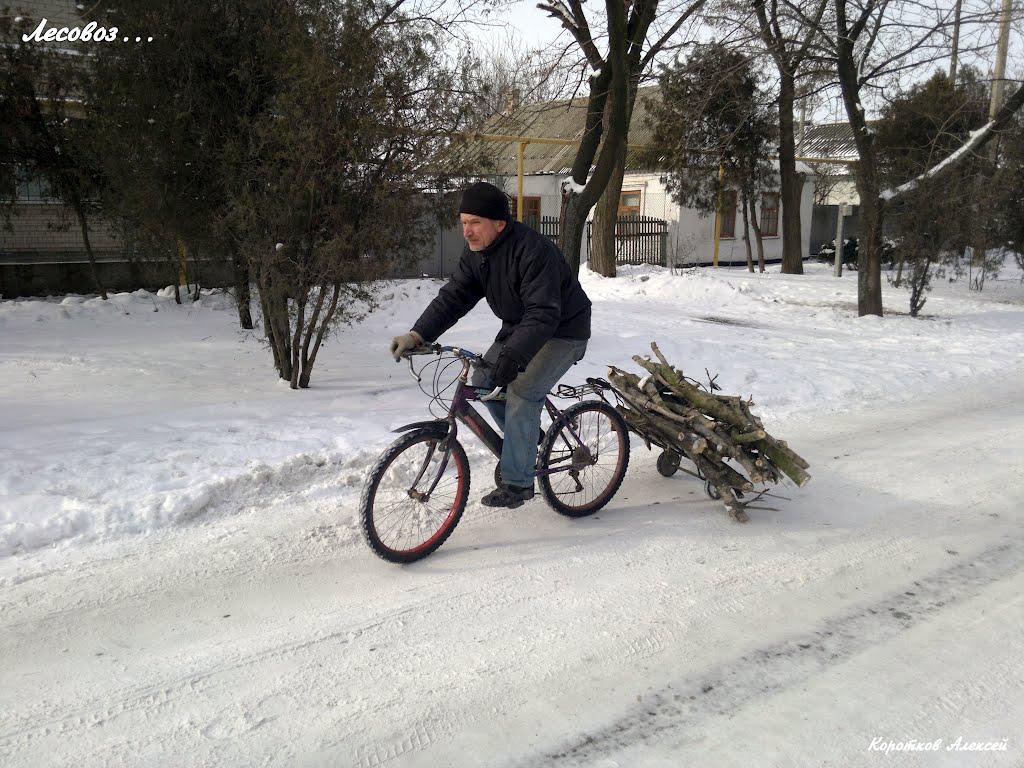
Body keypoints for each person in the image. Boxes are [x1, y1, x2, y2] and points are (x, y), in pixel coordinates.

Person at [390, 181, 592, 508]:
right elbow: (454, 297)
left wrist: (514, 356)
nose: (467, 231)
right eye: (463, 223)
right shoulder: (477, 254)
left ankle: (518, 484)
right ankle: (528, 440)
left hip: (563, 331)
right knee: (484, 380)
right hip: (521, 328)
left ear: (499, 223)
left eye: (475, 223)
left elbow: (543, 313)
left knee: (523, 391)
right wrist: (417, 335)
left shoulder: (533, 251)